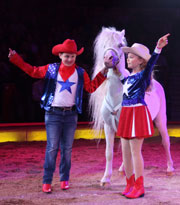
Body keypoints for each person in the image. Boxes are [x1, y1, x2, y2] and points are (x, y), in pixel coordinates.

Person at [8, 39, 108, 193]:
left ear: (76, 57)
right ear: (60, 55)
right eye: (67, 56)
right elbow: (33, 71)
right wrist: (16, 60)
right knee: (52, 148)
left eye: (72, 56)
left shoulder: (80, 73)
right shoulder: (51, 69)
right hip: (53, 114)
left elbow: (91, 87)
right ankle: (47, 181)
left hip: (71, 115)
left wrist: (104, 72)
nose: (69, 59)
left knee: (67, 149)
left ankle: (64, 179)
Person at [104, 34, 170, 199]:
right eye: (128, 56)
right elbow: (119, 79)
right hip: (126, 113)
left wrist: (158, 48)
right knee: (125, 151)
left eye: (132, 57)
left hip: (137, 112)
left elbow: (151, 64)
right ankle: (129, 183)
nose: (128, 59)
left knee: (135, 152)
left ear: (140, 61)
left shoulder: (143, 75)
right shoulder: (128, 77)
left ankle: (139, 186)